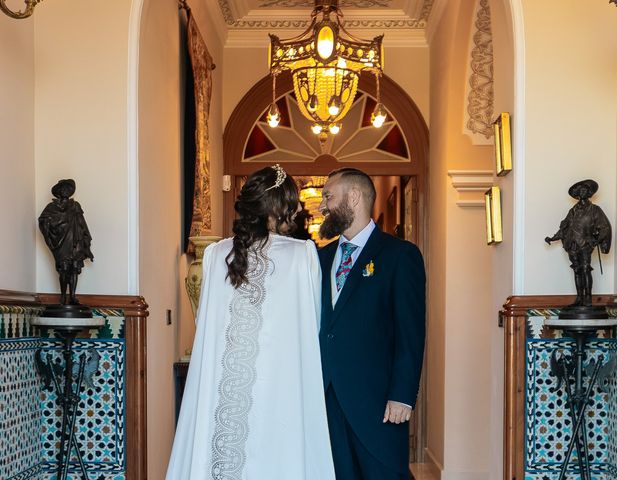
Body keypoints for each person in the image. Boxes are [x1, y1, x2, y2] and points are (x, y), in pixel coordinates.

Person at [166, 165, 335, 480]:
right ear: (278, 207)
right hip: (282, 388)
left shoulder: (217, 254)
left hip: (224, 387)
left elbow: (208, 327)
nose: (299, 209)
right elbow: (313, 325)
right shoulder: (304, 254)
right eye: (293, 202)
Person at [317, 168, 426, 480]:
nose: (323, 206)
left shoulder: (400, 255)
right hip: (327, 398)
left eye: (328, 196)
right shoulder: (319, 259)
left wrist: (403, 394)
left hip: (379, 402)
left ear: (353, 197)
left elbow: (411, 331)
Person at [545, 178, 612, 308]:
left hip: (585, 244)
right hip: (572, 244)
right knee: (577, 270)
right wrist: (553, 238)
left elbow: (604, 227)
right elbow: (564, 227)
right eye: (580, 190)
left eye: (584, 190)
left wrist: (596, 241)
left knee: (586, 269)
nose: (582, 192)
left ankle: (588, 299)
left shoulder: (594, 210)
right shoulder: (573, 211)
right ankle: (579, 298)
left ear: (589, 193)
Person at [38, 179, 94, 305]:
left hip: (75, 241)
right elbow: (43, 221)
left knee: (74, 268)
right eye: (63, 188)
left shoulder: (75, 206)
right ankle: (63, 296)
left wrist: (87, 243)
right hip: (61, 242)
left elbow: (82, 224)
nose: (66, 191)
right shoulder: (51, 207)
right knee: (63, 268)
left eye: (68, 189)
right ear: (58, 191)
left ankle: (73, 296)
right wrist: (51, 223)